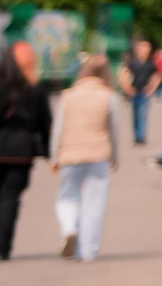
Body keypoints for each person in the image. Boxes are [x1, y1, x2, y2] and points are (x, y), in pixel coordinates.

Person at [0, 42, 50, 259]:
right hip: (22, 152)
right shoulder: (35, 89)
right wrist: (48, 151)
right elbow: (46, 124)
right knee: (10, 198)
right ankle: (1, 247)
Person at [49, 54, 119, 261]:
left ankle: (69, 228)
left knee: (67, 197)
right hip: (98, 155)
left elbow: (58, 129)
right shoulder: (109, 96)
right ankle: (89, 251)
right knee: (94, 204)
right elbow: (114, 130)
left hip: (70, 154)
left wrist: (54, 156)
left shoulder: (68, 95)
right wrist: (115, 156)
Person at [118, 37, 162, 146]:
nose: (145, 50)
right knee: (135, 115)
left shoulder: (150, 63)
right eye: (143, 47)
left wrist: (151, 88)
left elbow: (157, 75)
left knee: (142, 114)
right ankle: (137, 136)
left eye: (147, 47)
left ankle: (141, 136)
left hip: (143, 92)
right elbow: (123, 73)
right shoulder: (133, 62)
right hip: (134, 92)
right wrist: (127, 88)